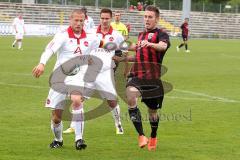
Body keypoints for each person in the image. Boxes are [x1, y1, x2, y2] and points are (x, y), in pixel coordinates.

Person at [32, 9, 100, 150]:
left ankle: (79, 139)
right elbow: (49, 50)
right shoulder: (62, 35)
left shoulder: (90, 37)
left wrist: (127, 48)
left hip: (79, 76)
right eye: (76, 20)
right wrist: (42, 63)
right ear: (70, 20)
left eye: (81, 20)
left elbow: (103, 44)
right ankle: (58, 140)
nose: (79, 23)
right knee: (56, 118)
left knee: (76, 99)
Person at [114, 5, 170, 151]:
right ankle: (141, 135)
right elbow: (138, 56)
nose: (147, 19)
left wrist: (150, 44)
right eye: (145, 16)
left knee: (152, 112)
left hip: (153, 79)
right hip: (137, 75)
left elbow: (163, 47)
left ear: (157, 19)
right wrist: (122, 59)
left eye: (150, 17)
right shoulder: (140, 35)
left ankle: (153, 135)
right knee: (130, 96)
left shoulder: (161, 34)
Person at [63, 8, 124, 135]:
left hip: (105, 73)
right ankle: (73, 126)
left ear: (111, 19)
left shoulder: (117, 35)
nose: (104, 21)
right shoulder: (91, 32)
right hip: (89, 71)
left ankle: (118, 125)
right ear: (99, 18)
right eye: (102, 18)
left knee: (112, 101)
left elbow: (124, 52)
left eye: (107, 18)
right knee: (78, 98)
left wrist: (121, 67)